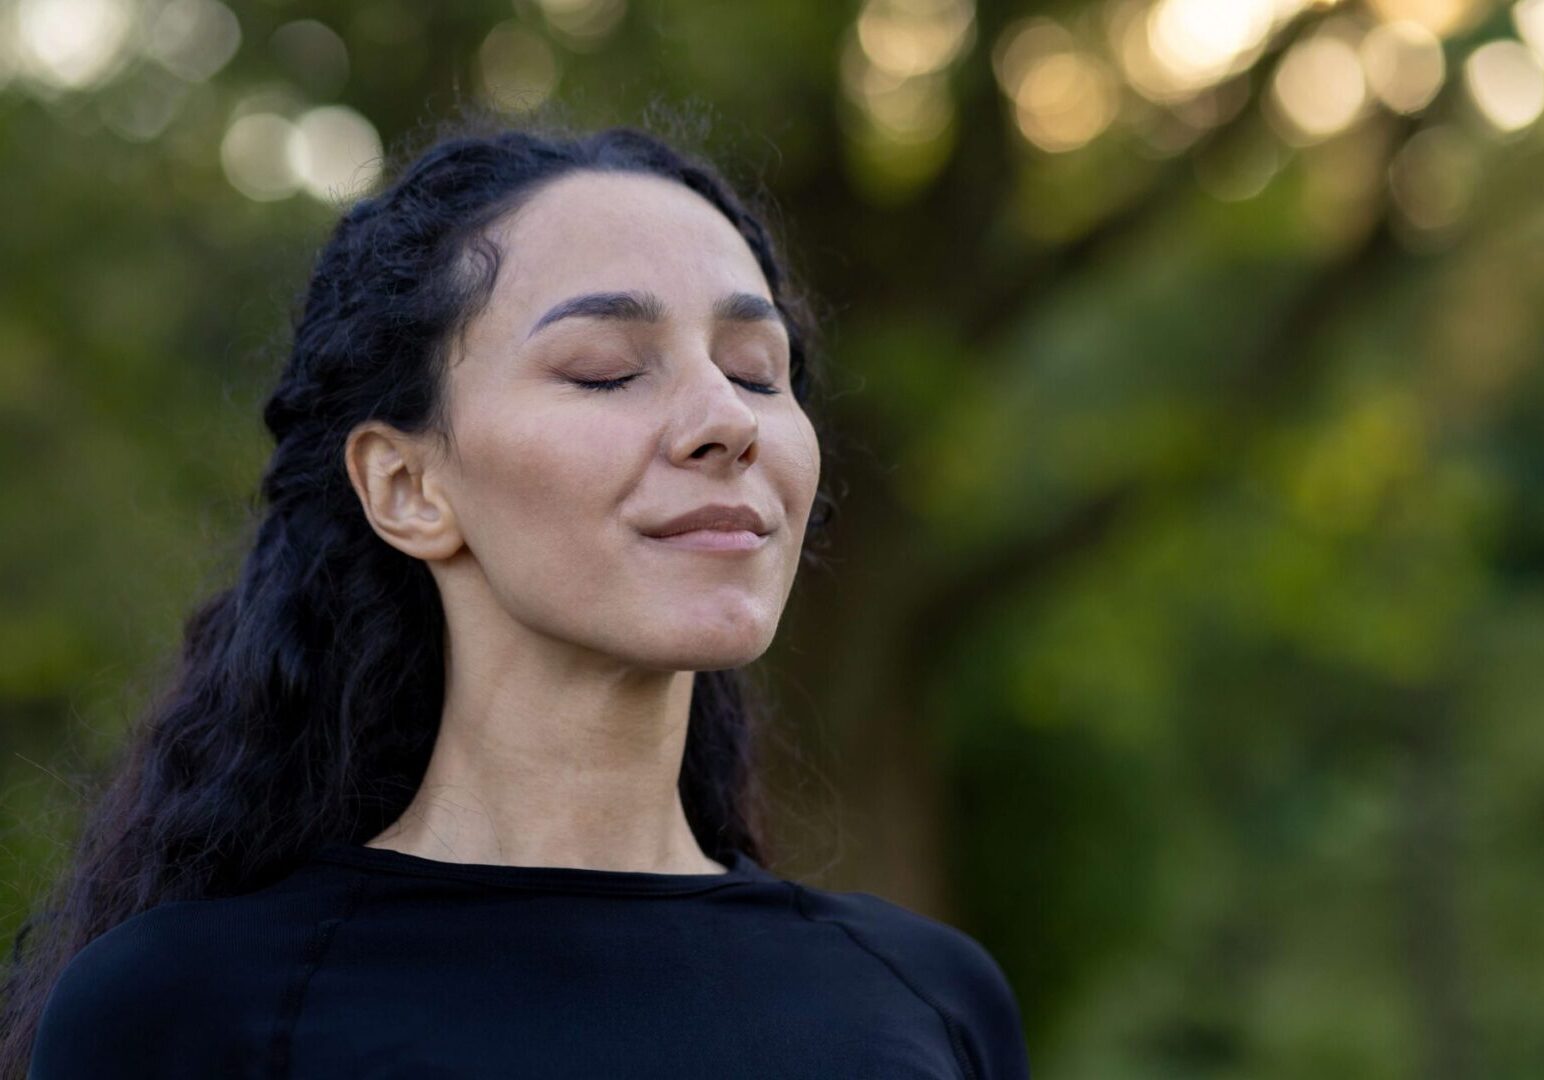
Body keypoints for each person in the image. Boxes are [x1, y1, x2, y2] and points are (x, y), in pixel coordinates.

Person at [6, 119, 1031, 1079]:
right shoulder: (186, 1011)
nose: (727, 420)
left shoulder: (929, 1004)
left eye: (757, 373)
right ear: (408, 488)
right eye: (604, 371)